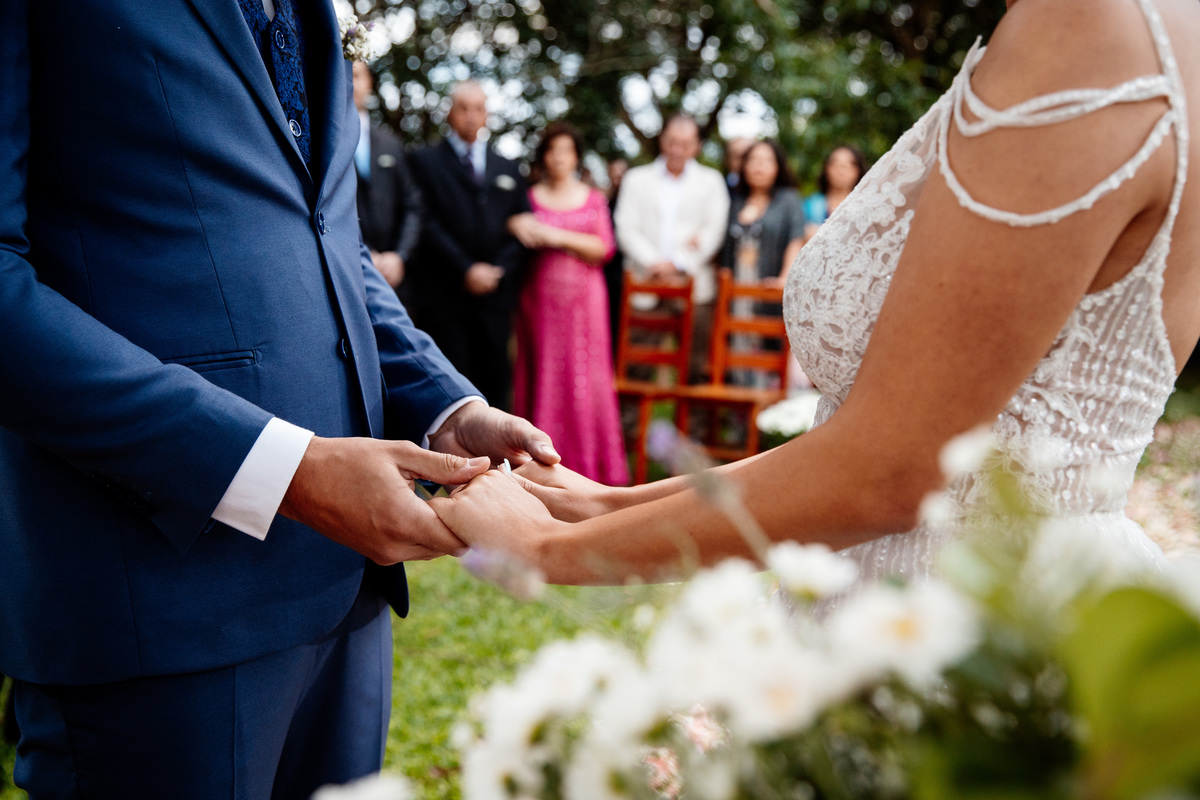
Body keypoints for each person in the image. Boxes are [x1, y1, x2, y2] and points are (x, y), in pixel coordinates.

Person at [431, 0, 1200, 591]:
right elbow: (879, 434)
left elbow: (892, 472)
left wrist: (543, 550)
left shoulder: (1084, 35)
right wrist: (601, 504)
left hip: (955, 621)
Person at [0, 2, 558, 797]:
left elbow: (329, 236)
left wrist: (446, 408)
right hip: (159, 603)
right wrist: (282, 471)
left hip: (347, 594)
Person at [508, 124, 629, 486]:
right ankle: (539, 469)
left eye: (566, 150)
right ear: (544, 156)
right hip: (540, 302)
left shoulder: (593, 198)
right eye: (552, 150)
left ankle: (592, 470)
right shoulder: (528, 198)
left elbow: (604, 249)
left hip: (585, 306)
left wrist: (555, 235)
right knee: (545, 377)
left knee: (586, 383)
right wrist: (516, 225)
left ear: (576, 156)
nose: (559, 158)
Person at [408, 81, 530, 410]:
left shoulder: (508, 167)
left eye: (479, 108)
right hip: (445, 297)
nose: (471, 116)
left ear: (487, 115)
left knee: (494, 386)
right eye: (464, 107)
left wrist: (498, 270)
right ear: (450, 112)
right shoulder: (424, 162)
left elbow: (521, 226)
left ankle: (500, 461)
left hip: (494, 299)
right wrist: (465, 268)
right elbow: (424, 223)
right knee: (450, 390)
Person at [613, 116, 730, 381]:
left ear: (697, 146)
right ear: (662, 141)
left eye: (685, 144)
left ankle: (693, 423)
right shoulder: (636, 179)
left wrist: (678, 262)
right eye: (672, 142)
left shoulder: (711, 181)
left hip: (695, 285)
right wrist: (655, 263)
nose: (677, 150)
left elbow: (714, 231)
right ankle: (630, 423)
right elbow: (626, 228)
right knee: (636, 366)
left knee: (696, 367)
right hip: (644, 282)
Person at [352, 61, 424, 307]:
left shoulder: (391, 143)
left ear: (369, 82)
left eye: (356, 75)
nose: (350, 83)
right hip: (350, 274)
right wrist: (363, 254)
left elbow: (412, 205)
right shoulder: (319, 144)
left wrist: (399, 256)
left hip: (396, 278)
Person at [719, 139, 807, 289]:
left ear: (778, 167)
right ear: (744, 165)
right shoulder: (736, 202)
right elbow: (726, 249)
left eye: (767, 161)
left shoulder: (788, 200)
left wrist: (784, 278)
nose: (759, 166)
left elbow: (795, 239)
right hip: (737, 291)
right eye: (753, 160)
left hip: (772, 288)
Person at [803, 145, 868, 241]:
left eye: (848, 166)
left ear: (858, 171)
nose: (841, 171)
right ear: (827, 169)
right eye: (836, 165)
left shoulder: (865, 206)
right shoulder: (810, 205)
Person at [604, 157, 630, 355]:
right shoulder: (605, 203)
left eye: (621, 173)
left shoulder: (633, 205)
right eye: (613, 173)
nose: (617, 178)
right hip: (608, 273)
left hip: (627, 270)